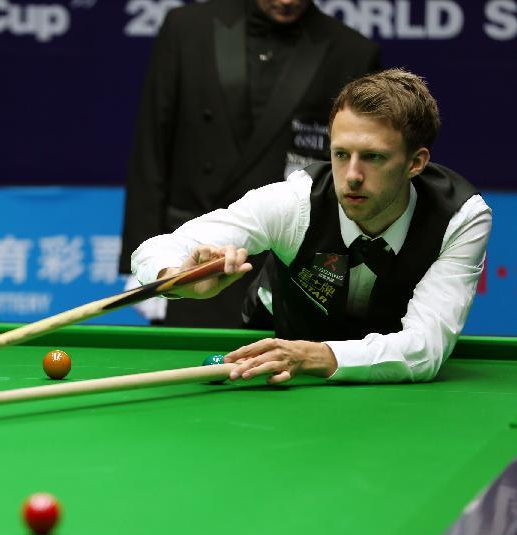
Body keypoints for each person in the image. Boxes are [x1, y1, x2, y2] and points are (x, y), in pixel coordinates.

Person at [131, 69, 491, 383]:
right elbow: (155, 249)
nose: (351, 176)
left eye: (373, 157)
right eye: (340, 154)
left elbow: (425, 349)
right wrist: (180, 277)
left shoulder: (459, 219)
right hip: (274, 355)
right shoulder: (294, 202)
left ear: (416, 162)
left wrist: (319, 357)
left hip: (387, 373)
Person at [119, 0, 381, 328]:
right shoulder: (187, 28)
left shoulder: (352, 51)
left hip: (286, 266)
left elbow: (356, 174)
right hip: (195, 254)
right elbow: (152, 145)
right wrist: (153, 270)